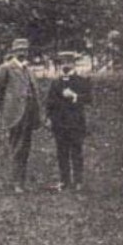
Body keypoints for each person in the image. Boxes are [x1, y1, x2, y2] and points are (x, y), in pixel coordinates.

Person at [0, 37, 42, 193]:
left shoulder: (28, 69)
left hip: (29, 114)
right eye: (19, 50)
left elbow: (34, 91)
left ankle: (21, 182)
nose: (22, 53)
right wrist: (6, 109)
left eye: (25, 50)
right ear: (13, 52)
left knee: (25, 148)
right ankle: (15, 183)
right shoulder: (5, 68)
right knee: (16, 147)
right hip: (14, 114)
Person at [45, 52, 92, 191]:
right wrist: (48, 118)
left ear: (73, 63)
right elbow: (50, 102)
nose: (66, 65)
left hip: (75, 122)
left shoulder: (81, 81)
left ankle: (78, 181)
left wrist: (75, 96)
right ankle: (64, 180)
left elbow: (89, 99)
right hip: (59, 123)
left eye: (69, 62)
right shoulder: (56, 82)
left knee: (76, 151)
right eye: (63, 62)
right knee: (62, 152)